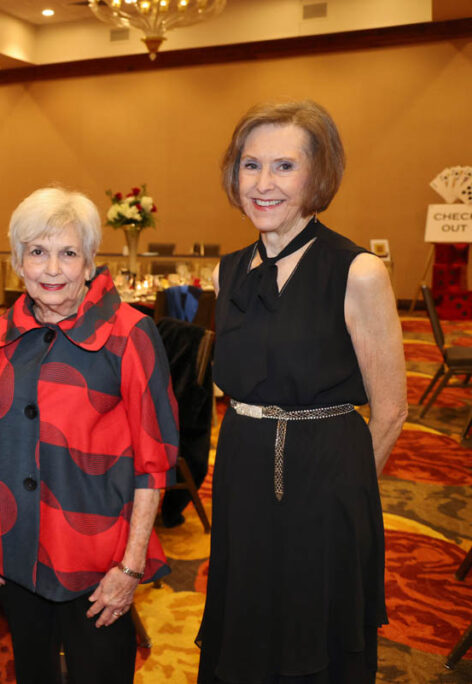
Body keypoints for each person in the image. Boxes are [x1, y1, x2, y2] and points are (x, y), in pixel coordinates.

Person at [196, 101, 407, 683]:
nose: (262, 183)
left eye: (284, 166)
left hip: (326, 480)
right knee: (246, 618)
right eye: (250, 165)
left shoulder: (358, 271)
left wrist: (345, 492)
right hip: (241, 471)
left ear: (318, 176)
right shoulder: (226, 271)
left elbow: (392, 410)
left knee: (315, 630)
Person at [0, 187, 180, 684]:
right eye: (38, 252)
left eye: (68, 253)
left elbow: (154, 463)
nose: (53, 269)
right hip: (16, 547)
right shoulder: (1, 335)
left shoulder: (129, 334)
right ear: (18, 262)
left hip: (98, 559)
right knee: (33, 672)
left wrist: (130, 568)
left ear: (89, 262)